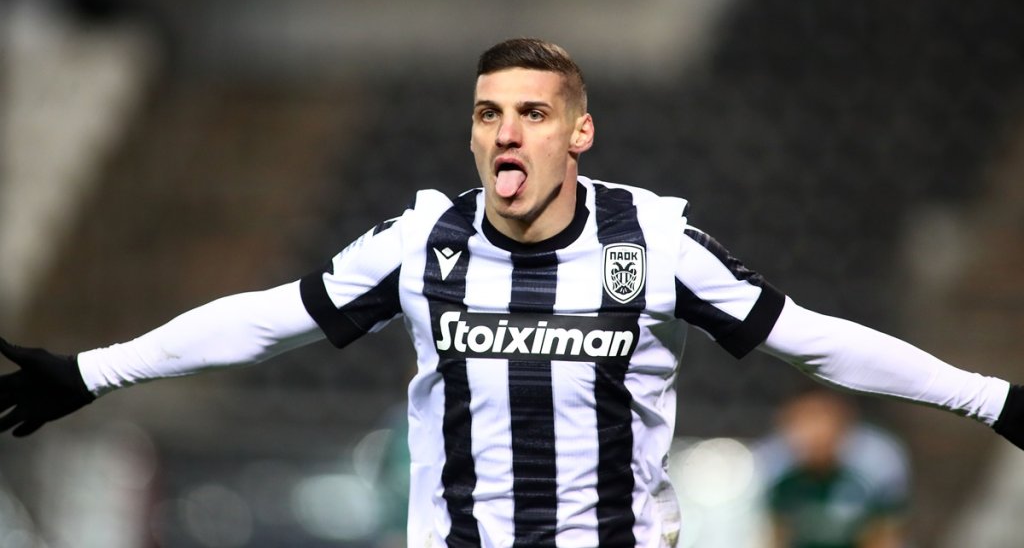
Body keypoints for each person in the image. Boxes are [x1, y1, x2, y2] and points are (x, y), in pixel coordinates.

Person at [0, 38, 1022, 548]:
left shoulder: (653, 243)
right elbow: (272, 318)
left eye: (532, 112)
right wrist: (91, 372)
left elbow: (811, 338)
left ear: (578, 133)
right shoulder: (422, 241)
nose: (505, 132)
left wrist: (992, 399)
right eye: (489, 113)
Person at [757, 390, 909, 548]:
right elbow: (769, 535)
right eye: (803, 422)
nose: (814, 433)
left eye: (821, 419)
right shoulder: (768, 466)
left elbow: (886, 536)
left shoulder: (878, 462)